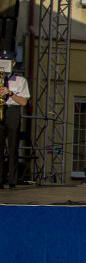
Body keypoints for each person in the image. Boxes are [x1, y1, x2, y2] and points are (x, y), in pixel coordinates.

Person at [0, 56, 30, 190]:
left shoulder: (20, 80)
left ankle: (12, 180)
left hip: (12, 111)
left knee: (12, 147)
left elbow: (23, 102)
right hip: (1, 110)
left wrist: (10, 93)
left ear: (12, 63)